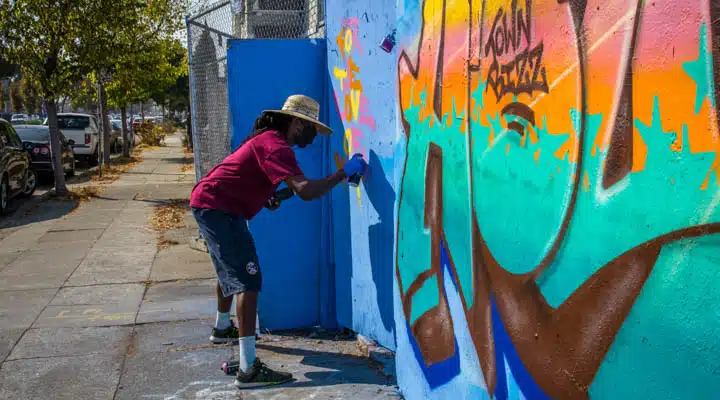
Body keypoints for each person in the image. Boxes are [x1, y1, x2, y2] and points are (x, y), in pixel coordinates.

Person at [190, 94, 368, 388]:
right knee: (248, 281)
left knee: (231, 271)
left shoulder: (267, 140)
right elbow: (306, 190)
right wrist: (341, 174)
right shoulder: (276, 145)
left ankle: (223, 328)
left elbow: (251, 175)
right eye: (311, 128)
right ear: (297, 123)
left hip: (211, 204)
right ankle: (248, 370)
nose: (313, 135)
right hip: (220, 208)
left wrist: (265, 196)